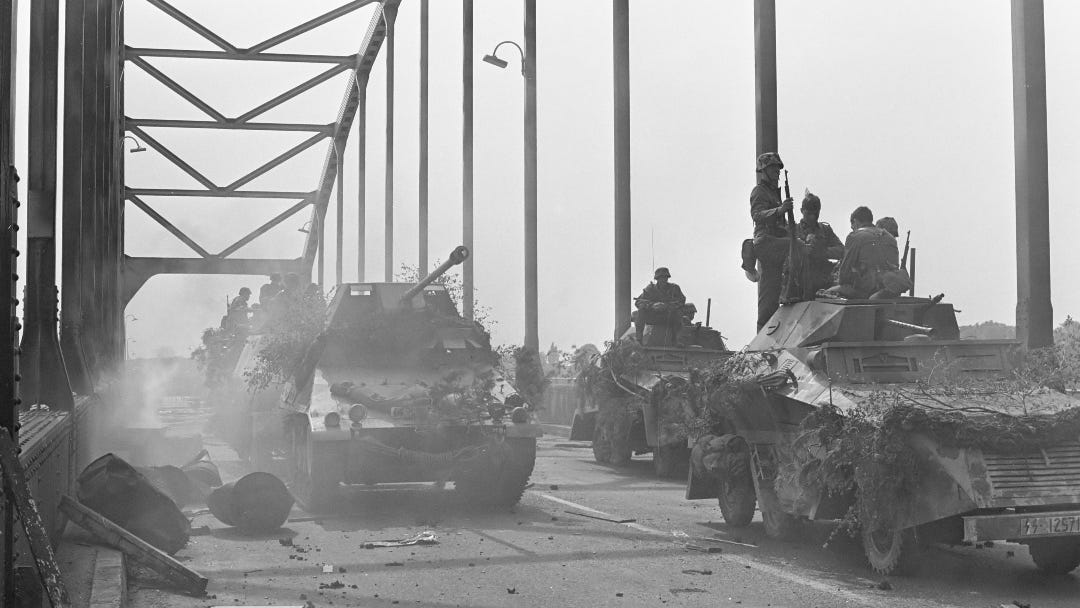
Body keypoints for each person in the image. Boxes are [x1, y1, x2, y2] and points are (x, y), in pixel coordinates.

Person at [825, 206, 912, 299]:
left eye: (852, 225)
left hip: (867, 289)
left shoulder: (855, 236)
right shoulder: (890, 237)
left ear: (855, 221)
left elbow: (844, 274)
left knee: (826, 294)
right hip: (889, 287)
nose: (852, 228)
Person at [750, 152, 793, 330]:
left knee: (773, 289)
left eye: (777, 168)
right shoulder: (759, 191)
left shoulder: (773, 192)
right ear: (763, 170)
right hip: (766, 241)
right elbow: (757, 215)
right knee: (769, 293)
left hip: (776, 241)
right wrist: (780, 210)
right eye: (773, 168)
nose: (776, 171)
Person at [794, 192, 844, 297]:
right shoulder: (794, 230)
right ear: (802, 211)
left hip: (822, 281)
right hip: (798, 283)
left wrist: (822, 251)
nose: (812, 217)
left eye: (815, 214)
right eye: (809, 213)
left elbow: (841, 250)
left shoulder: (825, 230)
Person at [634, 267, 686, 345]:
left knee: (678, 313)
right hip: (653, 316)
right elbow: (638, 302)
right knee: (641, 311)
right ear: (657, 279)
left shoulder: (674, 288)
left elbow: (681, 301)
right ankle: (638, 339)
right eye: (661, 278)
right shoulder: (650, 289)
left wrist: (666, 306)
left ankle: (677, 340)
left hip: (668, 316)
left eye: (665, 277)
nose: (663, 280)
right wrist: (652, 305)